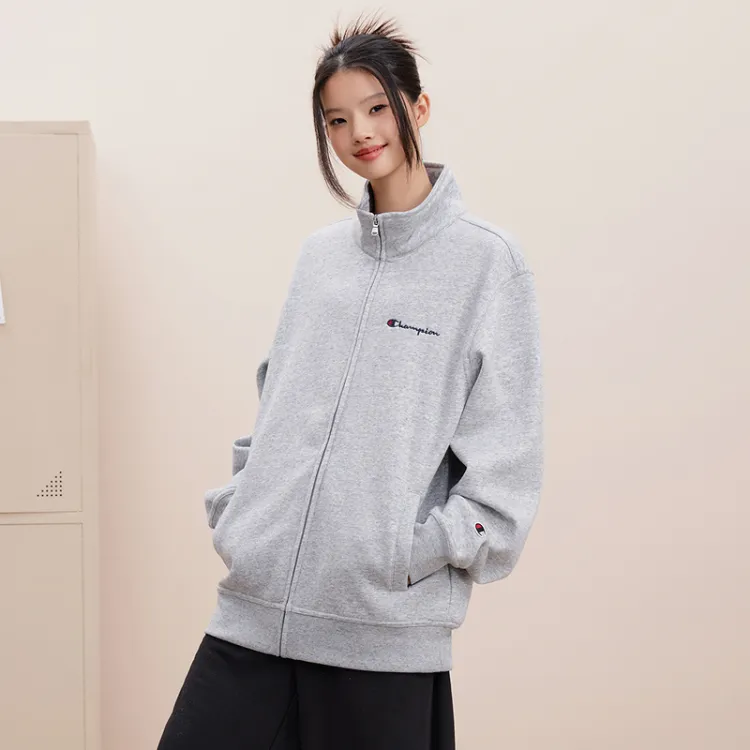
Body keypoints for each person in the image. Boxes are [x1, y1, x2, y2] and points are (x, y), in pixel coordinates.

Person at [157, 11, 544, 750]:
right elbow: (276, 406)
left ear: (417, 109)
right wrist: (244, 515)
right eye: (337, 120)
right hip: (254, 612)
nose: (359, 133)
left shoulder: (487, 264)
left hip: (379, 634)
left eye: (376, 108)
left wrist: (402, 554)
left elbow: (508, 463)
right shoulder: (320, 259)